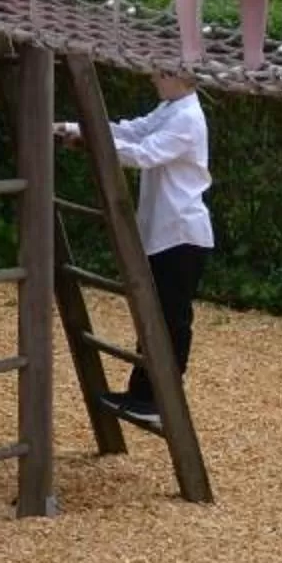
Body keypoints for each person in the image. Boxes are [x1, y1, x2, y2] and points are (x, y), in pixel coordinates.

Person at [59, 71, 211, 429]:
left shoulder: (187, 117)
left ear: (183, 78)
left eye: (164, 73)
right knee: (155, 318)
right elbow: (130, 131)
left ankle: (160, 399)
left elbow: (144, 154)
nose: (155, 77)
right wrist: (71, 126)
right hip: (165, 233)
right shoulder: (171, 108)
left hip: (181, 233)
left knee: (172, 321)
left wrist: (86, 140)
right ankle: (142, 393)